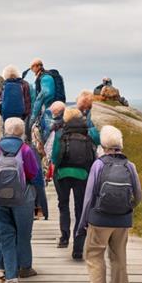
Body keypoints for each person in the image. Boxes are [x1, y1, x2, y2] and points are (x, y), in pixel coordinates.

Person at [78, 126, 142, 283]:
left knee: (94, 254)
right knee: (119, 256)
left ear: (103, 144)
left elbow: (89, 196)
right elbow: (138, 195)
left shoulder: (98, 165)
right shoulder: (130, 166)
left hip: (99, 219)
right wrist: (128, 208)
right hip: (122, 220)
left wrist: (84, 221)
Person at [0, 117, 41, 283]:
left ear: (6, 130)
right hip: (22, 198)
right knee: (23, 233)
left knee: (5, 234)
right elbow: (34, 175)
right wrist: (41, 203)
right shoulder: (26, 150)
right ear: (22, 132)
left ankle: (9, 274)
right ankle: (25, 267)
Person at [51, 108, 100, 259]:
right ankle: (78, 248)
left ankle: (64, 238)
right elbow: (97, 145)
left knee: (63, 205)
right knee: (80, 208)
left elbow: (54, 158)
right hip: (83, 175)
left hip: (63, 175)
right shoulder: (90, 133)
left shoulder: (60, 134)